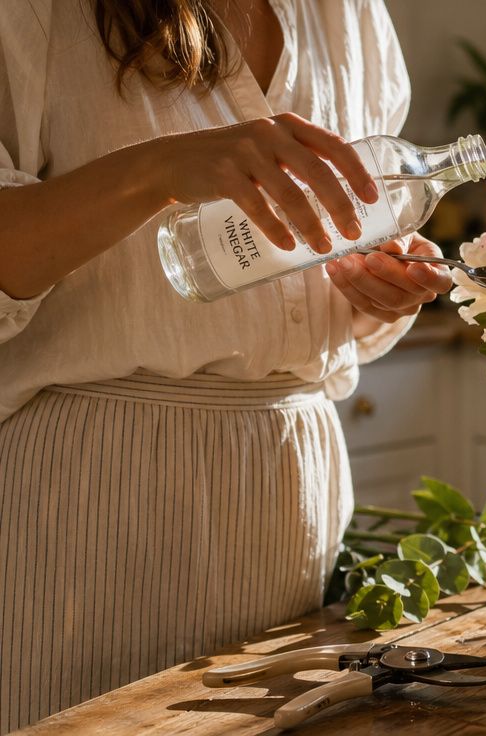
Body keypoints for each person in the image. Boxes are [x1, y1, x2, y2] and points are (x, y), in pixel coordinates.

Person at [0, 1, 449, 729]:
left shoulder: (351, 13)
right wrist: (157, 172)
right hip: (91, 493)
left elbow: (328, 258)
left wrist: (370, 293)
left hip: (294, 499)